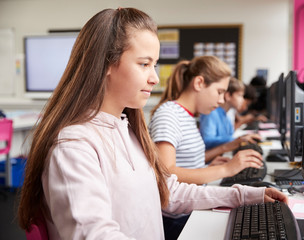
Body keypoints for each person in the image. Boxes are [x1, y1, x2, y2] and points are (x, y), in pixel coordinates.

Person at [17, 8, 287, 240]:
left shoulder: (128, 130)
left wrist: (243, 195)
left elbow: (167, 192)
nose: (155, 78)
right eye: (144, 64)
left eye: (154, 65)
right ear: (105, 65)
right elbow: (96, 234)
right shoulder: (73, 147)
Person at [148, 56, 268, 239]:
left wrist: (207, 167)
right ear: (199, 83)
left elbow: (183, 161)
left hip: (189, 207)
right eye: (219, 91)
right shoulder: (169, 115)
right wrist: (225, 169)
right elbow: (167, 171)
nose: (221, 100)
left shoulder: (186, 115)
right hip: (174, 218)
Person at [199, 77, 262, 150]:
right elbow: (207, 140)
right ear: (228, 96)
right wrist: (237, 140)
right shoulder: (211, 113)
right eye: (239, 95)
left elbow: (230, 135)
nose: (242, 100)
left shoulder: (226, 115)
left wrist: (242, 138)